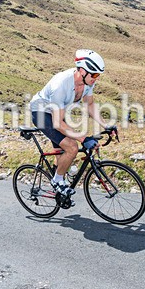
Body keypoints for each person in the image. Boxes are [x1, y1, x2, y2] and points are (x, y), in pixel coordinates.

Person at [30, 50, 114, 197]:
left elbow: (90, 105)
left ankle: (58, 183)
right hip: (42, 113)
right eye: (94, 74)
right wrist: (83, 139)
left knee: (64, 151)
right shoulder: (61, 84)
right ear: (82, 70)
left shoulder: (87, 82)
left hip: (58, 112)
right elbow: (57, 124)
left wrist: (106, 125)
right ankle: (57, 181)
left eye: (98, 75)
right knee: (72, 146)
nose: (96, 78)